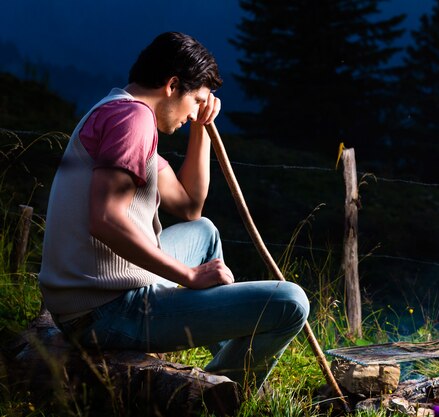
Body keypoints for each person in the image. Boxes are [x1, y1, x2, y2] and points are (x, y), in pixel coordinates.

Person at [38, 32, 309, 391]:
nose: (195, 111)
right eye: (195, 100)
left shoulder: (118, 110)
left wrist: (202, 128)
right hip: (103, 311)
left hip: (88, 295)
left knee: (205, 232)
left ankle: (225, 354)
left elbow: (189, 205)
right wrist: (189, 276)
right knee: (290, 302)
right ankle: (219, 394)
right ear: (172, 85)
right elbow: (105, 219)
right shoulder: (132, 122)